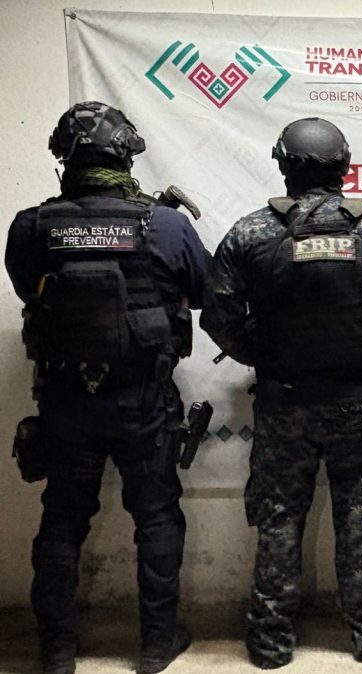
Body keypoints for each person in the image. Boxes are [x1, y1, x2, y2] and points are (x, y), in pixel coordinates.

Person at [200, 118, 362, 667]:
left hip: (285, 402)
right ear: (344, 165)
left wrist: (266, 354)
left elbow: (218, 320)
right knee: (359, 513)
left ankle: (270, 643)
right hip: (359, 403)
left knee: (279, 516)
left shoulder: (252, 232)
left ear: (283, 164)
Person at [5, 101, 209, 674]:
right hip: (143, 398)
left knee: (62, 519)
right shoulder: (165, 224)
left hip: (66, 399)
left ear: (64, 159)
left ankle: (57, 650)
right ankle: (156, 645)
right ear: (125, 156)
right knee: (157, 517)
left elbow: (27, 288)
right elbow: (203, 291)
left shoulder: (32, 225)